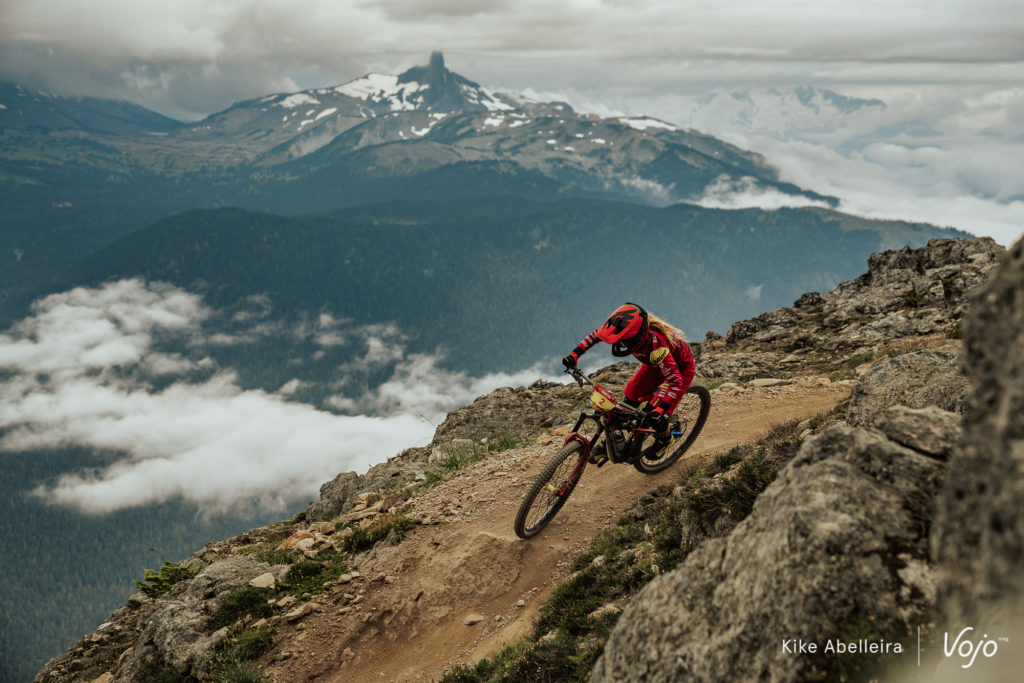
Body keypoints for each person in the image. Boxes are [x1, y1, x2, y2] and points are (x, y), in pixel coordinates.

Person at [562, 303, 696, 464]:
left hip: (679, 372)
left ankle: (666, 438)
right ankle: (614, 442)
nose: (622, 343)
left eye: (625, 341)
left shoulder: (656, 345)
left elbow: (675, 382)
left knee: (654, 414)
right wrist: (574, 355)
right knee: (626, 403)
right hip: (654, 366)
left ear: (638, 337)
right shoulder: (632, 335)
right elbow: (596, 335)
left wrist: (660, 409)